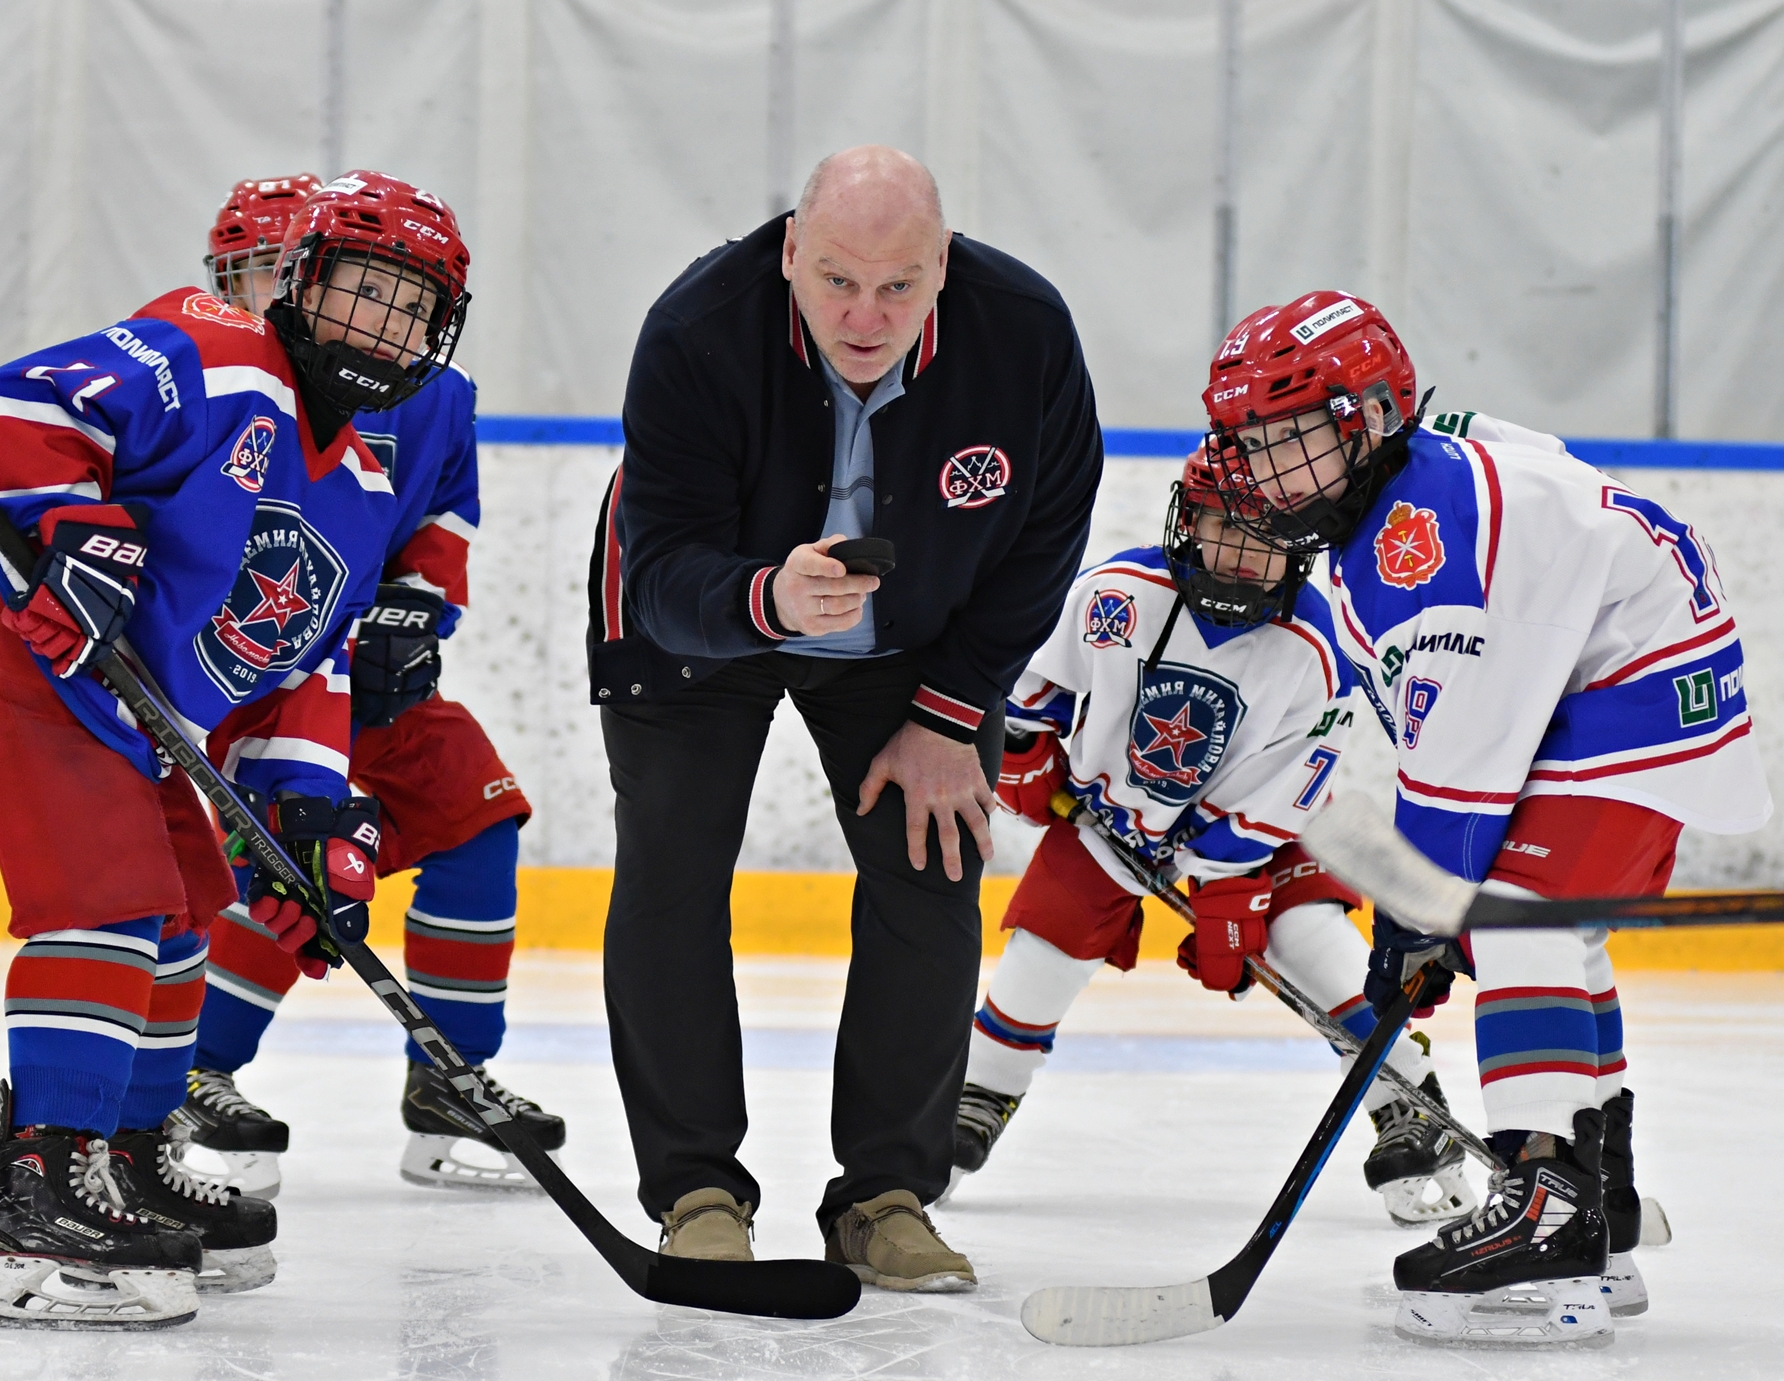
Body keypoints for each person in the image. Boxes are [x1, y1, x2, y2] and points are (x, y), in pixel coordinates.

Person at [0, 169, 470, 1328]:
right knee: (106, 903)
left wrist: (311, 825)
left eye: (415, 312)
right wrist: (67, 524)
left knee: (184, 912)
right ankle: (46, 1188)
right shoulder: (216, 350)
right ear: (301, 285)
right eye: (368, 293)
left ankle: (131, 1152)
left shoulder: (362, 477)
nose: (388, 328)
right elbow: (22, 409)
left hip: (122, 693)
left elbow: (298, 666)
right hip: (15, 638)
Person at [1206, 290, 1771, 1346]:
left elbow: (1460, 781)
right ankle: (1594, 1211)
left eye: (1288, 439)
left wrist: (1416, 921)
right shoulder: (1400, 493)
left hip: (1630, 685)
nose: (1261, 468)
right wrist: (1420, 918)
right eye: (1248, 439)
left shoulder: (1421, 541)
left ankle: (1545, 1210)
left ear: (1368, 418)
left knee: (1513, 916)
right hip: (1628, 671)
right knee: (1546, 930)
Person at [587, 146, 1102, 1290]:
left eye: (899, 285)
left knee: (933, 858)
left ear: (943, 266)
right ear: (788, 254)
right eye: (834, 281)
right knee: (671, 872)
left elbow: (1042, 539)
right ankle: (696, 1191)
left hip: (909, 635)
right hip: (700, 621)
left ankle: (885, 1193)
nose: (865, 315)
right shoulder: (695, 330)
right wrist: (764, 597)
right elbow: (662, 565)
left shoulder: (1021, 333)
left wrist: (950, 709)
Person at [954, 444, 1474, 1227]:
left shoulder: (1319, 649)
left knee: (1309, 939)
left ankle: (1407, 1099)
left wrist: (1234, 884)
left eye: (1264, 537)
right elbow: (1034, 677)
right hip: (1114, 814)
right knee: (1041, 954)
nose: (1240, 554)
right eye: (1222, 527)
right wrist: (1023, 747)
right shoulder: (1117, 592)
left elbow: (1290, 789)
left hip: (1276, 831)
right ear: (1186, 521)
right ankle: (980, 1093)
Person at [171, 174, 563, 1199]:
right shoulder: (228, 377)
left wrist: (416, 613)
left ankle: (450, 1079)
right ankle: (192, 1070)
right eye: (243, 274)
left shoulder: (437, 399)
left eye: (274, 268)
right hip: (242, 689)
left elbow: (445, 521)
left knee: (478, 815)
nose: (260, 293)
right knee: (290, 859)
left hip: (364, 682)